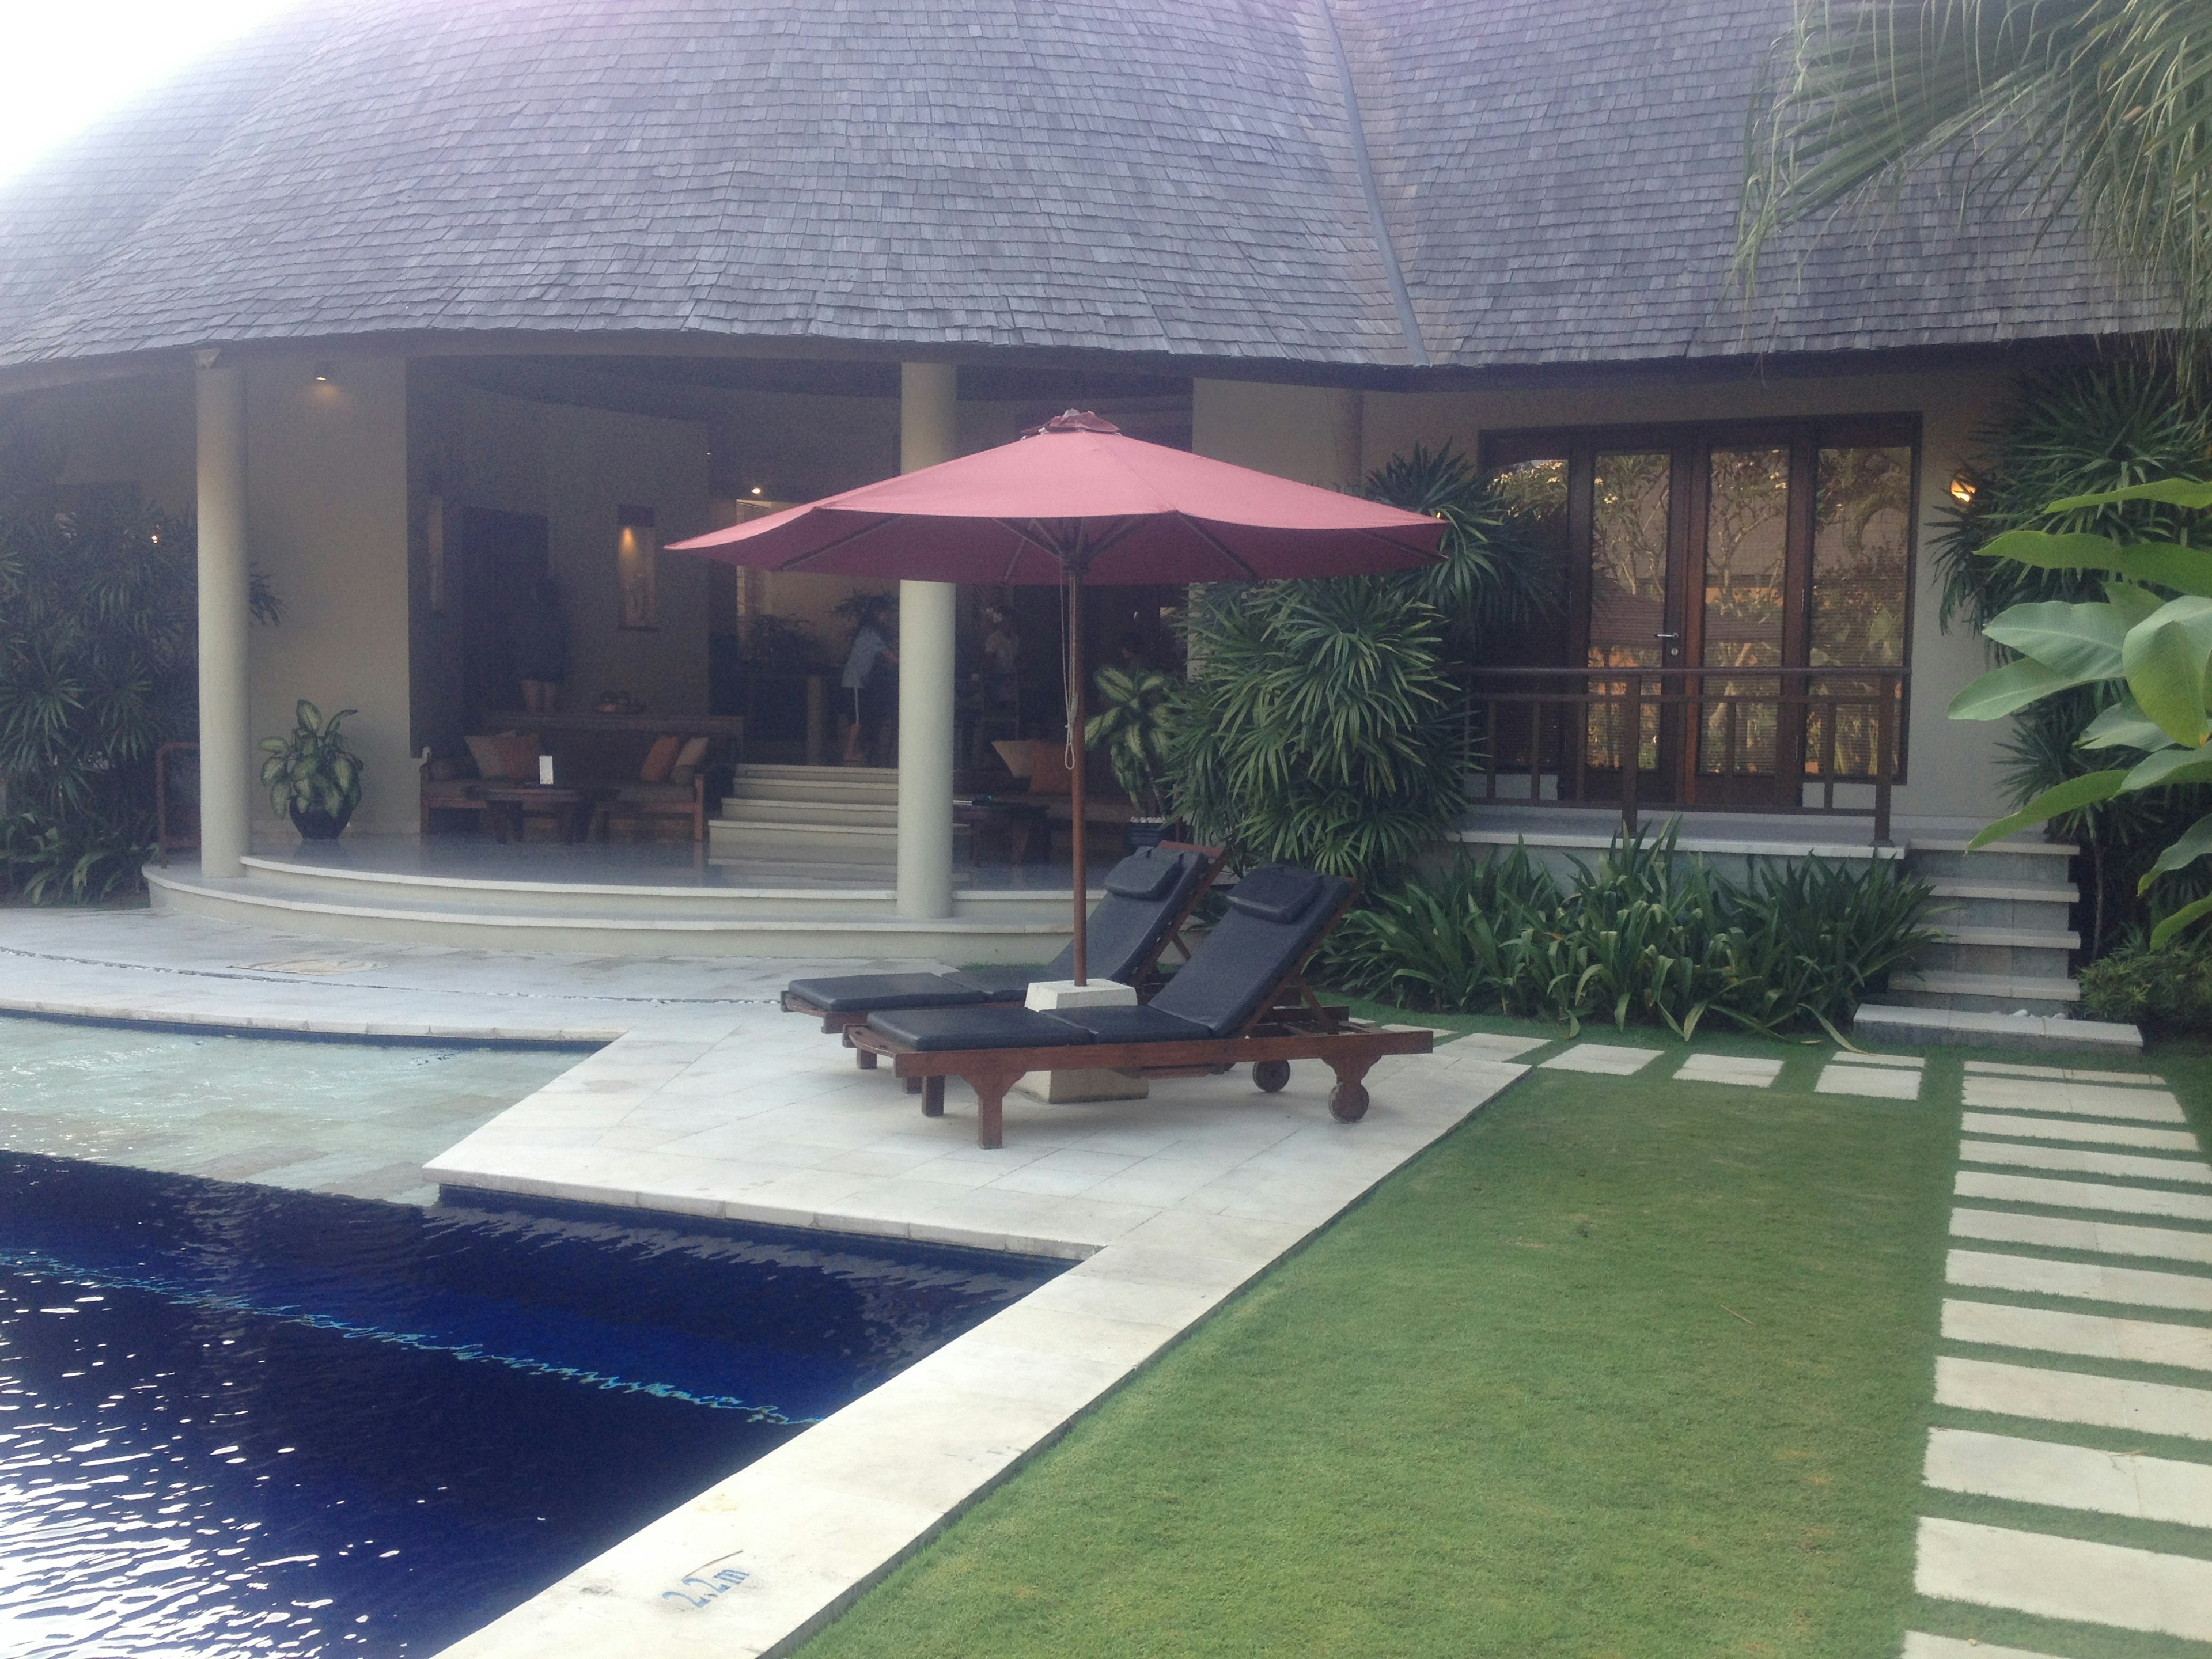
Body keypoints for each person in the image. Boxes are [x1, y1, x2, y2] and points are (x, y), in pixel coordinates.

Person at [840, 597, 897, 765]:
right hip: (855, 681)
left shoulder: (867, 631)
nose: (887, 617)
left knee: (858, 718)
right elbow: (889, 656)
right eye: (885, 613)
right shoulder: (872, 633)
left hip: (857, 681)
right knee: (858, 719)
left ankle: (853, 751)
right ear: (878, 613)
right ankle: (849, 753)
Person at [514, 573, 568, 714]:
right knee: (549, 712)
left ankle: (535, 736)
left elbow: (520, 640)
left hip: (531, 667)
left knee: (533, 713)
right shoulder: (559, 617)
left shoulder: (526, 616)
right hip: (552, 668)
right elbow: (562, 644)